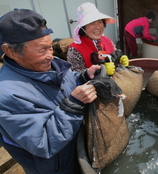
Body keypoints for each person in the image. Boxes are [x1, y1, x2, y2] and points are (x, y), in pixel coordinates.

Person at [0, 9, 101, 174]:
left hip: (75, 149)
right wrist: (73, 105)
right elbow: (42, 142)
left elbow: (69, 79)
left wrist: (84, 75)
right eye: (42, 50)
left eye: (50, 47)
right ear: (11, 51)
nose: (51, 55)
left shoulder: (50, 63)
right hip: (56, 167)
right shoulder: (7, 94)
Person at [67, 2, 116, 72]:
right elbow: (77, 77)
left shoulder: (108, 40)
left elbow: (116, 63)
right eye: (92, 23)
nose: (98, 27)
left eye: (100, 22)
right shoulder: (75, 49)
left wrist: (119, 59)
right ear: (83, 28)